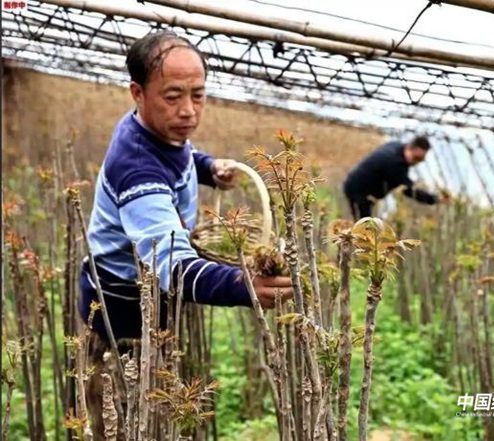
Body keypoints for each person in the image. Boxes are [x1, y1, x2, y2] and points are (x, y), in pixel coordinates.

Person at [79, 31, 293, 437]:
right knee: (120, 418)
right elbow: (172, 265)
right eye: (173, 96)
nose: (189, 111)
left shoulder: (156, 129)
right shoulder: (136, 169)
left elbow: (181, 153)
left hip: (148, 302)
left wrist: (208, 167)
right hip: (121, 310)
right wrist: (242, 285)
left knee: (158, 405)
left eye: (198, 95)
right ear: (138, 93)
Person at [343, 136, 439, 219]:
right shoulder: (395, 163)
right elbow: (409, 190)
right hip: (358, 191)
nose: (417, 162)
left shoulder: (396, 146)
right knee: (364, 226)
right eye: (416, 158)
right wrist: (434, 199)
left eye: (421, 160)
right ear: (410, 149)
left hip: (361, 188)